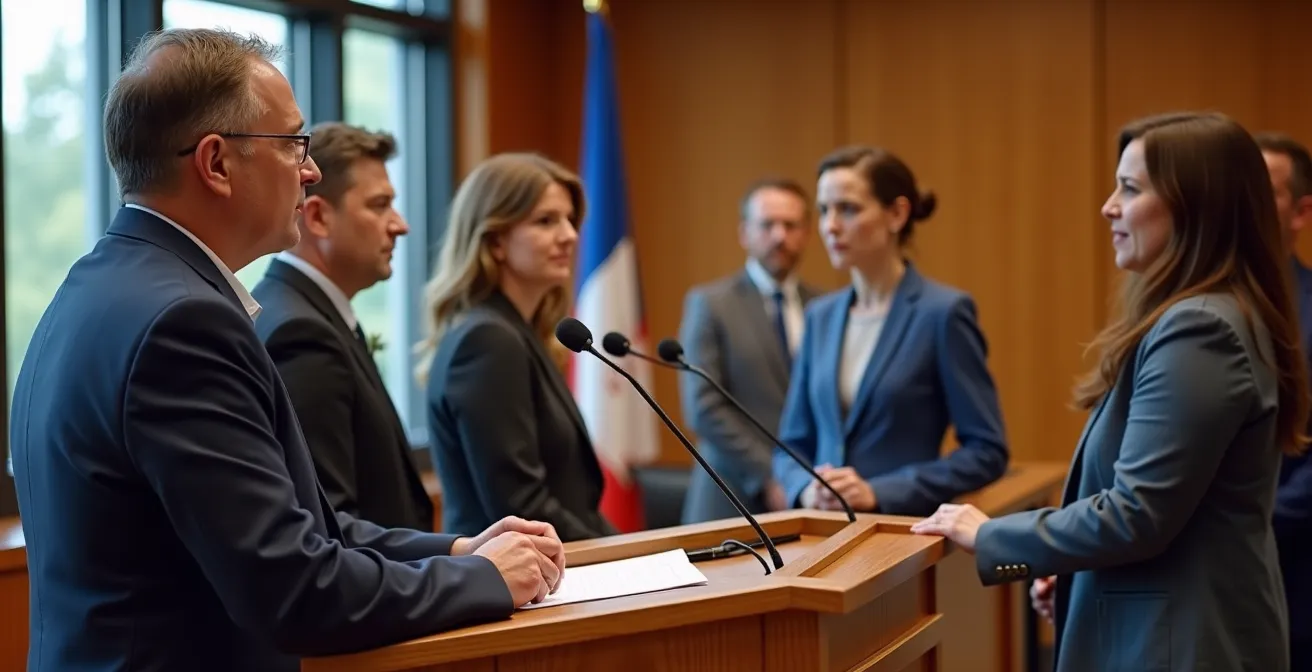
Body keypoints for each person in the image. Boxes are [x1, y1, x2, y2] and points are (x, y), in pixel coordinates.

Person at [9, 29, 563, 672]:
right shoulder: (183, 324)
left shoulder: (96, 286)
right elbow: (295, 590)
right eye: (293, 143)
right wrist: (486, 580)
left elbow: (293, 526)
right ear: (217, 163)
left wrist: (458, 551)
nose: (311, 170)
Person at [912, 112, 1310, 672]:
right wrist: (1080, 574)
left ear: (1195, 206)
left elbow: (1138, 514)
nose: (1108, 207)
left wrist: (993, 535)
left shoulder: (1201, 328)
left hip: (1183, 645)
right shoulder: (1205, 314)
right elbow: (1173, 513)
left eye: (1130, 188)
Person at [773, 146, 1009, 516]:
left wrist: (880, 491)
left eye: (847, 209)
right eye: (823, 210)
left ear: (897, 214)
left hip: (899, 531)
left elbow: (987, 451)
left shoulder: (943, 313)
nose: (830, 225)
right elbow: (791, 445)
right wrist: (805, 488)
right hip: (822, 532)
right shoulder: (820, 316)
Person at [417, 152, 616, 542]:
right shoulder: (488, 341)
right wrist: (624, 555)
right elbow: (522, 506)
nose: (570, 235)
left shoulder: (518, 333)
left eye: (569, 220)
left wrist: (635, 549)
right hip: (511, 573)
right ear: (495, 241)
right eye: (546, 221)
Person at [252, 121, 432, 532]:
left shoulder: (307, 310)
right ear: (318, 217)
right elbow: (329, 521)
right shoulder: (302, 333)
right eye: (379, 205)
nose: (400, 225)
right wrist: (455, 553)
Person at [678, 178, 821, 524]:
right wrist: (769, 474)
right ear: (745, 233)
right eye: (767, 224)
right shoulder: (711, 304)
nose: (779, 236)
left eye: (791, 225)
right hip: (731, 499)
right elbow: (704, 408)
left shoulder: (824, 306)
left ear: (806, 234)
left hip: (811, 498)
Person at [1256, 132, 1312, 669]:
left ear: (1301, 212)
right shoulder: (1191, 307)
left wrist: (1244, 520)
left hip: (1297, 568)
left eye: (1263, 189)